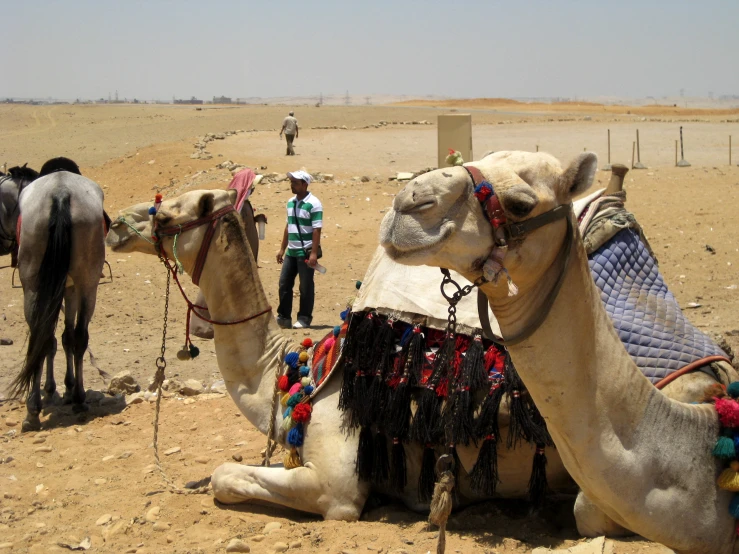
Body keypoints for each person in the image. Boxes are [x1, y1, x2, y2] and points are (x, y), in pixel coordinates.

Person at [276, 170, 322, 329]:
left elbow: (317, 230)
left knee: (306, 286)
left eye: (295, 182)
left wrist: (314, 253)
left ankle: (304, 318)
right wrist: (282, 248)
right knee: (284, 283)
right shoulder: (290, 202)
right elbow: (288, 226)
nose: (292, 185)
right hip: (291, 252)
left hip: (305, 253)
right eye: (291, 182)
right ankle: (284, 317)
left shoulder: (314, 203)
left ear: (305, 184)